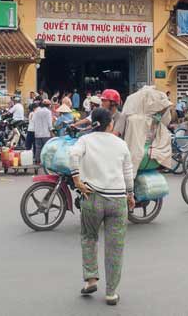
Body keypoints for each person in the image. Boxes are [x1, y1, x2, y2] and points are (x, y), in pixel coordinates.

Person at [70, 108, 134, 306]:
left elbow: (73, 155)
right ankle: (111, 293)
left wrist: (77, 180)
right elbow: (128, 171)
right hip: (117, 200)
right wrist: (130, 194)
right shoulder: (120, 143)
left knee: (89, 237)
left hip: (92, 197)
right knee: (115, 247)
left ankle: (91, 279)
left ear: (93, 123)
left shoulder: (85, 140)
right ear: (110, 124)